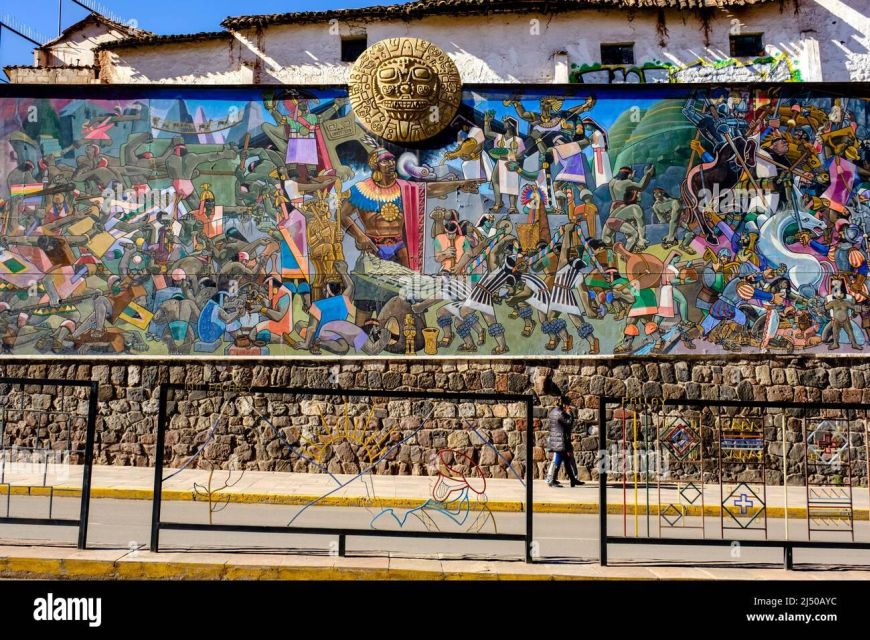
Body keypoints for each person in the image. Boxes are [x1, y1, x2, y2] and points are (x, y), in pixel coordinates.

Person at [545, 395, 584, 487]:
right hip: (560, 441)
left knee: (566, 460)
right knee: (558, 460)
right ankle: (552, 480)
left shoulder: (553, 412)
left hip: (557, 439)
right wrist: (570, 413)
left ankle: (573, 480)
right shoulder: (560, 413)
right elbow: (569, 422)